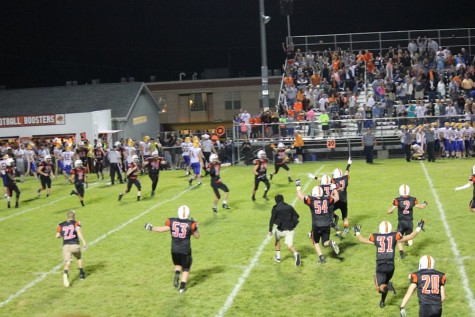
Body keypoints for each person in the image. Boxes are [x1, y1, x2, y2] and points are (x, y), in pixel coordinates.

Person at [353, 219, 425, 308]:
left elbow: (362, 240)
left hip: (381, 265)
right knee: (385, 283)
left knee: (380, 288)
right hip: (391, 266)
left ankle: (387, 288)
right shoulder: (395, 235)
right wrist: (418, 228)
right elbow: (410, 237)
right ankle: (382, 301)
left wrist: (357, 232)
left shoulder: (375, 236)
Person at [144, 205, 200, 293]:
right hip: (185, 250)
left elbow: (162, 229)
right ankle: (182, 288)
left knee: (178, 264)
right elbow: (197, 236)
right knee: (186, 269)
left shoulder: (172, 221)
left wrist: (151, 227)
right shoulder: (191, 223)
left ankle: (177, 274)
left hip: (174, 249)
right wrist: (196, 228)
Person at [296, 178, 340, 263]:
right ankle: (330, 243)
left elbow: (300, 196)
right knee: (325, 243)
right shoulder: (328, 199)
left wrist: (298, 186)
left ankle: (321, 258)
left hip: (316, 224)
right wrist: (334, 188)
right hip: (327, 223)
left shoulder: (311, 200)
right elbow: (337, 198)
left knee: (315, 241)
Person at [387, 184, 428, 259]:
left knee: (398, 238)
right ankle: (407, 241)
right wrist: (425, 204)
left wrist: (389, 211)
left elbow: (390, 210)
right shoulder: (413, 199)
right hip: (410, 222)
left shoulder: (397, 200)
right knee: (409, 237)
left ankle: (401, 253)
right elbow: (421, 206)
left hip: (401, 222)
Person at [56, 210, 87, 287]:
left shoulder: (61, 225)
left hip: (66, 245)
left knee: (67, 262)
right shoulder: (76, 223)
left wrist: (63, 235)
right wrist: (84, 242)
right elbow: (79, 232)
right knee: (79, 257)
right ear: (73, 216)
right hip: (74, 244)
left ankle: (65, 273)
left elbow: (57, 236)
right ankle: (81, 274)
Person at [268, 194, 301, 266]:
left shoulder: (275, 208)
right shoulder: (289, 207)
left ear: (276, 201)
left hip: (280, 230)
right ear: (283, 199)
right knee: (290, 245)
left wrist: (270, 230)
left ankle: (278, 256)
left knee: (277, 240)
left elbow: (272, 219)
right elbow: (297, 216)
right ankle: (296, 253)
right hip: (290, 230)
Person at [331, 158, 352, 236]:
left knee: (329, 211)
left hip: (336, 201)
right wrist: (349, 164)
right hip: (344, 201)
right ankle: (346, 229)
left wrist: (315, 178)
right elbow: (347, 172)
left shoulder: (333, 181)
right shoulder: (345, 178)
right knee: (345, 217)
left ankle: (335, 219)